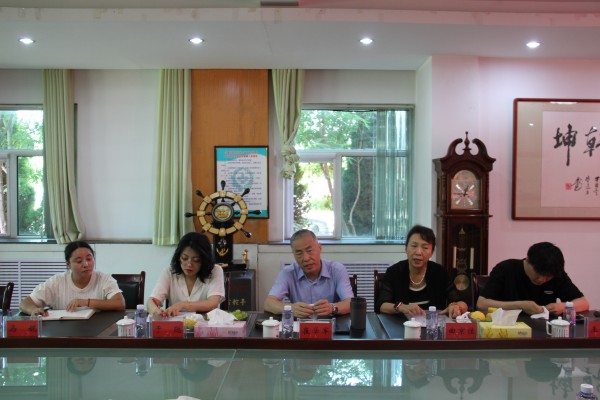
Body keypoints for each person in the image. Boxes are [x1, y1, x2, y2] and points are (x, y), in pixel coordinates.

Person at [376, 225, 467, 318]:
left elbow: (462, 303)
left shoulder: (440, 272)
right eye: (414, 246)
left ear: (431, 252)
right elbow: (381, 305)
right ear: (406, 248)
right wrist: (401, 307)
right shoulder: (394, 272)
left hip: (433, 325)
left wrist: (457, 307)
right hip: (401, 324)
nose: (418, 252)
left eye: (425, 247)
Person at [476, 242, 589, 316]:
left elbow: (584, 303)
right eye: (538, 274)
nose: (542, 279)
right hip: (507, 329)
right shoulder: (506, 269)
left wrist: (562, 306)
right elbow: (481, 305)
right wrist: (520, 305)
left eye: (548, 277)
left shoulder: (556, 274)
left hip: (544, 333)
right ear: (528, 260)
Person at [264, 229, 353, 318]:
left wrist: (332, 308)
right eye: (299, 253)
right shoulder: (288, 273)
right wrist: (291, 308)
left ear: (319, 248)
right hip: (299, 324)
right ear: (294, 254)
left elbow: (350, 303)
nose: (306, 258)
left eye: (309, 250)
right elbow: (268, 303)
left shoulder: (337, 270)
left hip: (331, 324)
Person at [19, 241, 125, 316]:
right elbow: (25, 303)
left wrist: (86, 302)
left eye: (89, 259)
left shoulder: (104, 279)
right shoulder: (56, 282)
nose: (86, 264)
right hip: (63, 333)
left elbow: (120, 304)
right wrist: (33, 310)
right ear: (68, 264)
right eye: (79, 261)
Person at [147, 232, 225, 317]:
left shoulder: (215, 271)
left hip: (206, 323)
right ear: (178, 257)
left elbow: (212, 303)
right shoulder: (169, 272)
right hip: (176, 323)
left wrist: (182, 305)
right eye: (184, 258)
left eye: (196, 260)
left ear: (204, 260)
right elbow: (152, 300)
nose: (189, 264)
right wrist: (155, 311)